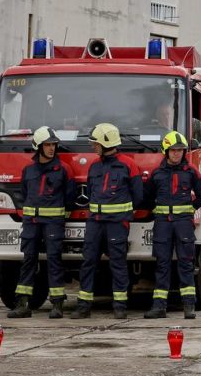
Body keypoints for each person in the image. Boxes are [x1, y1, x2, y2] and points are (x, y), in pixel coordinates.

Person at [73, 123, 143, 320]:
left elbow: (138, 196)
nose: (93, 146)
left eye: (95, 143)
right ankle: (83, 306)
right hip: (95, 223)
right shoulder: (94, 166)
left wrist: (122, 215)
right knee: (88, 263)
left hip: (117, 224)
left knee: (118, 264)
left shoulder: (128, 165)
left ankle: (120, 306)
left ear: (106, 142)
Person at [141, 131, 201, 319]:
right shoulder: (157, 173)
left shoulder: (191, 172)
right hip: (163, 224)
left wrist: (188, 210)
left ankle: (189, 306)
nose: (177, 154)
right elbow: (147, 198)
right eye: (174, 150)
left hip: (183, 224)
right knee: (162, 264)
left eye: (180, 150)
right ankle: (159, 307)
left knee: (186, 264)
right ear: (166, 151)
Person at [8, 126, 70, 319]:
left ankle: (57, 305)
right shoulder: (28, 170)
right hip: (31, 223)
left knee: (54, 261)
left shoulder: (63, 170)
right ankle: (23, 304)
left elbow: (69, 197)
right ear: (38, 147)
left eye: (54, 144)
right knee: (28, 261)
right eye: (48, 145)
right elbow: (25, 195)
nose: (52, 148)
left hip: (53, 223)